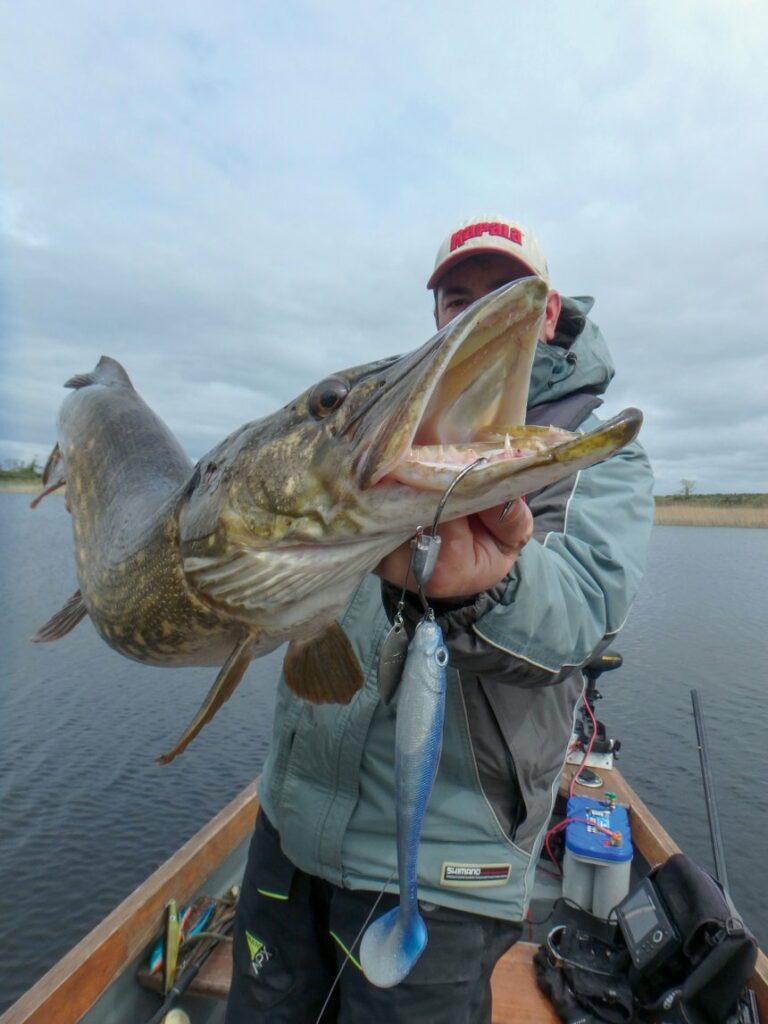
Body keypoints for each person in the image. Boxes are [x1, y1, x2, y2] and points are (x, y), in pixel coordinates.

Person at [225, 215, 655, 1023]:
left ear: (547, 312)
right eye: (459, 299)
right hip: (290, 828)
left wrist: (486, 587)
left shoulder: (599, 454)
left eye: (504, 294)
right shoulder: (379, 423)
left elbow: (583, 611)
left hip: (441, 872)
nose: (478, 314)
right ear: (436, 314)